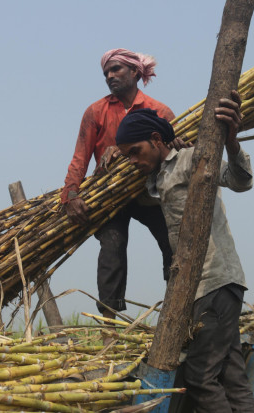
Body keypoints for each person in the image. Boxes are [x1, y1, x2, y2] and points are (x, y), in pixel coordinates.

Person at [115, 91, 254, 413]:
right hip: (205, 287)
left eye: (135, 152)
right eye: (128, 156)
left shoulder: (192, 158)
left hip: (215, 282)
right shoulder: (157, 177)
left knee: (200, 377)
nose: (133, 161)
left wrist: (232, 143)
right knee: (232, 375)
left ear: (155, 139)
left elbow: (241, 181)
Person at [62, 48, 174, 319]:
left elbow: (172, 154)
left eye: (116, 70)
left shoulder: (159, 111)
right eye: (106, 73)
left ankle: (175, 311)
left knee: (173, 242)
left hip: (148, 191)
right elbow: (80, 158)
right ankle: (108, 323)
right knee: (112, 246)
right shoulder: (96, 111)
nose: (109, 76)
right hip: (110, 196)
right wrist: (71, 195)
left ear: (135, 72)